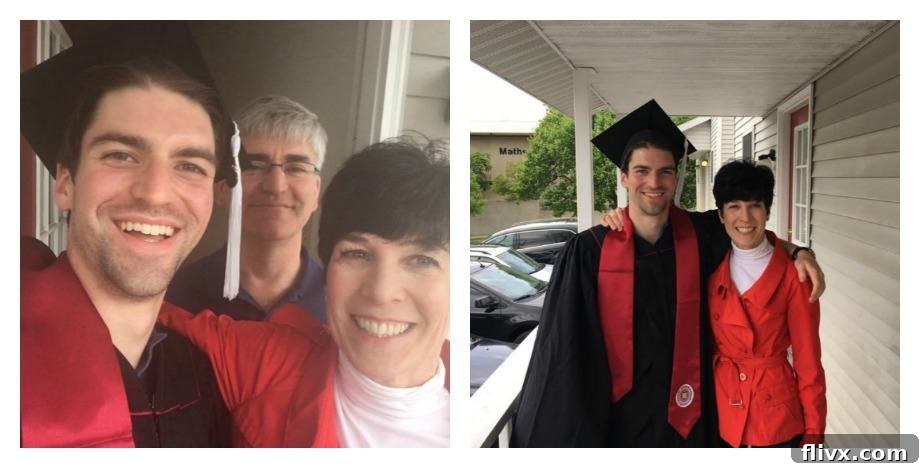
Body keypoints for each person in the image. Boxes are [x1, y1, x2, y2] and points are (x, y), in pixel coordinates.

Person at [510, 99, 825, 447]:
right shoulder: (590, 251)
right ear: (624, 176)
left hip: (692, 418)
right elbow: (562, 349)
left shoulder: (700, 234)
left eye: (665, 171)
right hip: (618, 423)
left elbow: (750, 233)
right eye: (642, 171)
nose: (653, 182)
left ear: (675, 178)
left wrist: (799, 251)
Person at [20, 24, 235, 447]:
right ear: (65, 183)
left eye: (190, 165)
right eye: (120, 155)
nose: (155, 191)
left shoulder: (204, 376)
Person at [158, 138, 450, 447]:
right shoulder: (270, 363)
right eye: (357, 254)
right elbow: (131, 315)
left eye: (422, 260)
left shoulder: (488, 406)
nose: (382, 291)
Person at [168, 95, 327, 328]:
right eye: (254, 167)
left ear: (316, 191)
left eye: (296, 168)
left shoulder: (341, 302)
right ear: (222, 188)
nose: (276, 186)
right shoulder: (176, 298)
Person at [708, 160, 825, 447]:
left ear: (767, 211)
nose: (745, 217)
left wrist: (814, 433)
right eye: (734, 206)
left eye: (755, 205)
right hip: (722, 409)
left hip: (775, 418)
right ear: (721, 214)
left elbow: (808, 361)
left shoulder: (795, 275)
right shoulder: (710, 262)